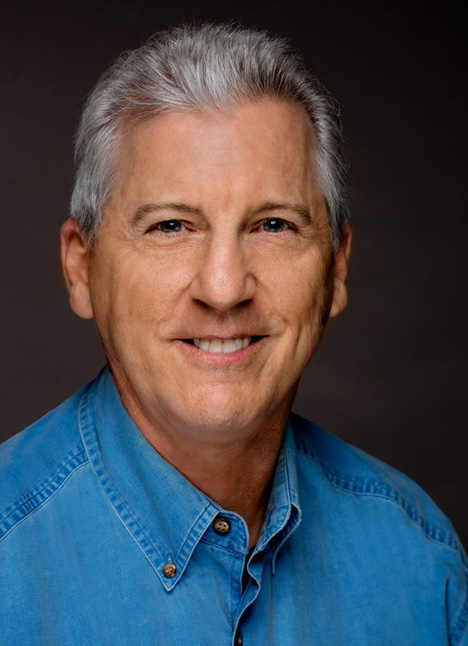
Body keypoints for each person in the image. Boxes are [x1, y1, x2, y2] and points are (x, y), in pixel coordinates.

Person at [0, 23, 466, 645]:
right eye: (172, 226)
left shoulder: (419, 560)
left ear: (337, 267)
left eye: (273, 225)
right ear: (81, 268)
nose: (224, 288)